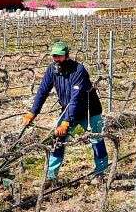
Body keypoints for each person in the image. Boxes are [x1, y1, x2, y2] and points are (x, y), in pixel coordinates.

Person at [23, 40, 109, 180]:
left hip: (89, 110)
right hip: (68, 110)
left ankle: (101, 172)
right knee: (58, 141)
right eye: (54, 56)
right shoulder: (52, 70)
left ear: (67, 56)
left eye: (60, 56)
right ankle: (51, 177)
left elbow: (75, 99)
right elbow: (42, 91)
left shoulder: (78, 70)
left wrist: (66, 122)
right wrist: (33, 112)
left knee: (96, 140)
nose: (57, 59)